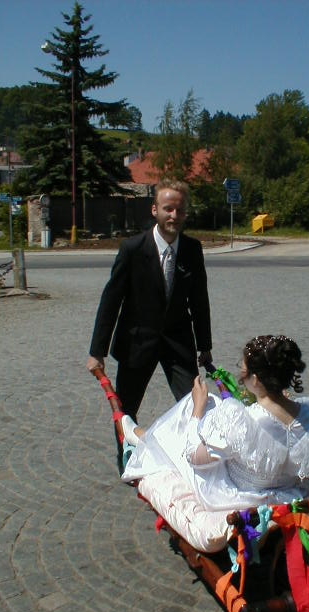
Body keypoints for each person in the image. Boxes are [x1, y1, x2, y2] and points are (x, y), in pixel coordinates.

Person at [121, 335, 309, 552]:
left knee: (190, 411)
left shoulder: (244, 421)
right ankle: (144, 435)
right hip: (289, 490)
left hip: (239, 495)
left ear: (255, 380)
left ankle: (142, 437)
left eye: (243, 368)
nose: (240, 373)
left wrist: (197, 409)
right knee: (213, 405)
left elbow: (194, 457)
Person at [86, 178, 212, 468]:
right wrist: (97, 352)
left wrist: (204, 346)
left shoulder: (192, 249)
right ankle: (127, 462)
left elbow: (199, 300)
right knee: (126, 409)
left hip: (178, 343)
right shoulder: (132, 249)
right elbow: (111, 300)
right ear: (155, 210)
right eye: (168, 209)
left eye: (180, 210)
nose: (174, 216)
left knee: (194, 403)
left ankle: (193, 460)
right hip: (137, 342)